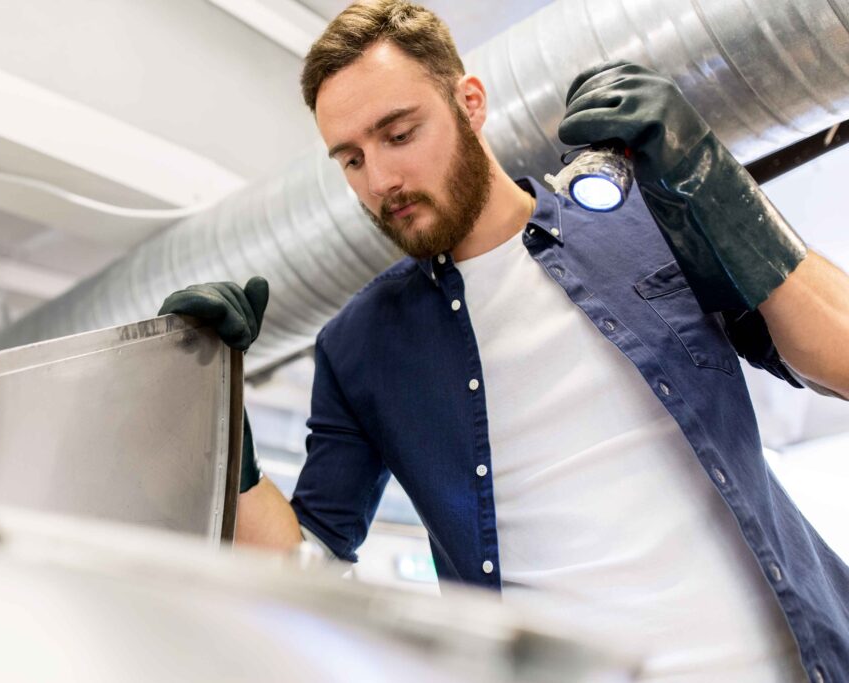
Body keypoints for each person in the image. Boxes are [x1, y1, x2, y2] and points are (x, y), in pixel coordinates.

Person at [158, 2, 849, 680]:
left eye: (399, 134)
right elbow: (307, 563)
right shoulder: (360, 346)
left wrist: (709, 180)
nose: (381, 181)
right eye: (351, 159)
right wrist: (225, 437)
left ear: (471, 101)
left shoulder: (642, 216)